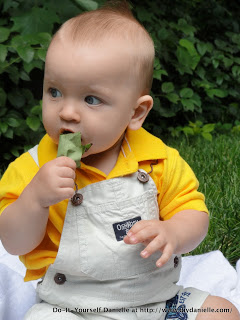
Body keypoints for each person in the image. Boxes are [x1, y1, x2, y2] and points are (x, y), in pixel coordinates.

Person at [0, 1, 239, 319]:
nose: (67, 111)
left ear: (136, 112)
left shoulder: (157, 161)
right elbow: (13, 243)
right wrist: (34, 200)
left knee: (222, 311)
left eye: (91, 99)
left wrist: (175, 233)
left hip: (157, 301)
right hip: (73, 306)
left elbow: (195, 214)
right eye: (54, 91)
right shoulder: (31, 168)